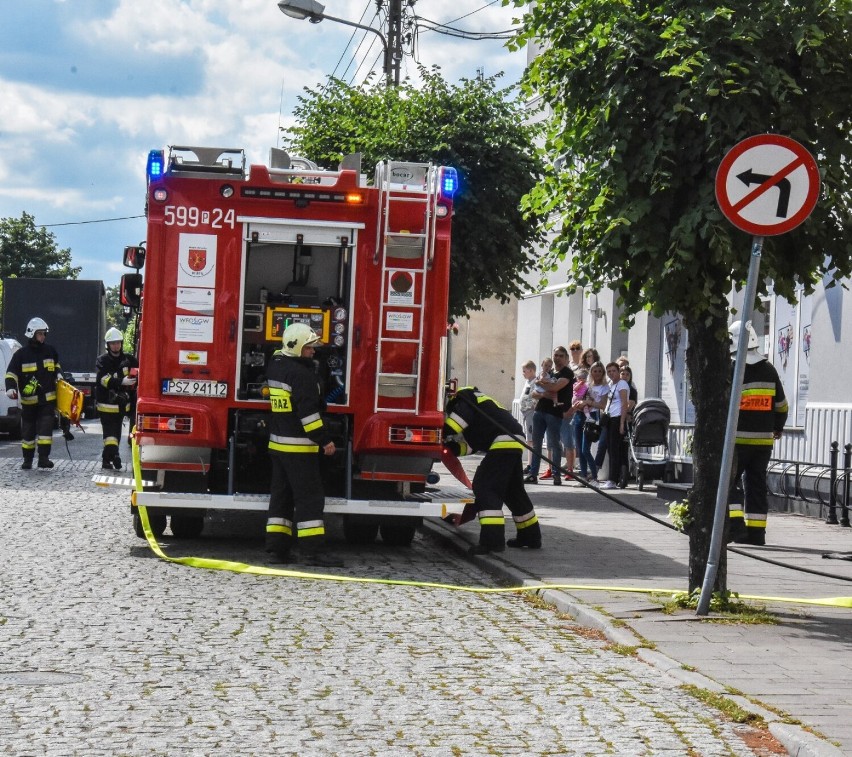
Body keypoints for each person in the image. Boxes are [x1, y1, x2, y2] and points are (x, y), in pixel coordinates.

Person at [264, 322, 340, 567]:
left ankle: (277, 549)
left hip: (278, 446)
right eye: (309, 347)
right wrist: (325, 440)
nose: (313, 351)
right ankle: (312, 552)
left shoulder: (276, 366)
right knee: (310, 499)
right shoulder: (304, 376)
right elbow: (309, 416)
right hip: (299, 448)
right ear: (296, 348)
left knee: (281, 497)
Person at [443, 386, 542, 554]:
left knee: (485, 487)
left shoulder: (464, 398)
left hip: (502, 440)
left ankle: (492, 541)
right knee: (513, 492)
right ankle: (530, 536)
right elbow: (472, 445)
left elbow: (455, 424)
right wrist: (451, 448)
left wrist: (440, 432)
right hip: (515, 439)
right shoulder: (482, 403)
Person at [727, 321, 788, 546]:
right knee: (756, 486)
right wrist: (777, 427)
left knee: (728, 484)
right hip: (763, 442)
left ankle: (736, 528)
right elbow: (781, 405)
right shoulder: (769, 369)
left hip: (737, 441)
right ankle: (757, 534)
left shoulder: (733, 368)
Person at [4, 317, 62, 470]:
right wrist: (10, 388)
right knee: (28, 433)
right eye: (40, 334)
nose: (43, 337)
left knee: (45, 432)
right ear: (32, 334)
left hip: (47, 402)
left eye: (44, 334)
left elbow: (57, 366)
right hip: (29, 403)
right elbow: (11, 373)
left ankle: (44, 458)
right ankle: (27, 460)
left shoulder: (51, 351)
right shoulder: (21, 355)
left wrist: (59, 374)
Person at [525, 347, 574, 485]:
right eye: (555, 355)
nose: (557, 358)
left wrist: (541, 384)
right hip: (539, 410)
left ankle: (556, 474)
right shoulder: (549, 372)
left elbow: (555, 388)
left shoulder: (567, 373)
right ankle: (533, 474)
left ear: (565, 358)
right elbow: (534, 393)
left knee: (554, 444)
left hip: (555, 413)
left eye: (560, 355)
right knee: (536, 444)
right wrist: (543, 393)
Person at [95, 327, 139, 470]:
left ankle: (107, 460)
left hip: (121, 406)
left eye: (118, 342)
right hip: (106, 405)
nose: (116, 346)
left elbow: (139, 371)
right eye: (113, 343)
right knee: (110, 435)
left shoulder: (129, 360)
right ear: (108, 345)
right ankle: (115, 456)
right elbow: (103, 380)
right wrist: (121, 382)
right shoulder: (102, 361)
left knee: (116, 434)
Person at [599, 362, 630, 490]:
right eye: (609, 371)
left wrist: (622, 423)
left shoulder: (622, 384)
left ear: (618, 371)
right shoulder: (612, 384)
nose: (611, 373)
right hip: (610, 418)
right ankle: (613, 478)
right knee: (610, 449)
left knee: (614, 450)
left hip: (617, 418)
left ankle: (612, 479)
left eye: (613, 371)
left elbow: (624, 404)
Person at [580, 361, 609, 483]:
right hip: (585, 414)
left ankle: (594, 476)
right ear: (591, 372)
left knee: (589, 447)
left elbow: (603, 405)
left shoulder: (605, 387)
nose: (597, 373)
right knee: (583, 449)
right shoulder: (587, 385)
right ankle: (589, 474)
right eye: (595, 371)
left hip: (596, 416)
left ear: (603, 373)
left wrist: (589, 403)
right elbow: (579, 397)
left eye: (599, 371)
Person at [517, 360, 538, 473]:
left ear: (531, 370)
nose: (523, 373)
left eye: (524, 371)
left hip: (531, 412)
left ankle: (531, 464)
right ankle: (529, 463)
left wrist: (528, 407)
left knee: (531, 439)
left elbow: (535, 399)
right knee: (528, 439)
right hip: (525, 413)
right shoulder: (528, 382)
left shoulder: (536, 382)